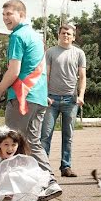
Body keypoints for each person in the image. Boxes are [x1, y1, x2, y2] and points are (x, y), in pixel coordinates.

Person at [0, 0, 63, 201]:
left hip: (22, 97)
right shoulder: (36, 37)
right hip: (37, 97)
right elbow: (39, 69)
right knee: (32, 142)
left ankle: (9, 192)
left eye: (9, 14)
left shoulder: (17, 36)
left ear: (22, 14)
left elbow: (15, 71)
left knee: (9, 144)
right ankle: (49, 183)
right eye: (3, 15)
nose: (5, 18)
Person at [40, 24, 86, 178]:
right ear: (58, 35)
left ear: (74, 37)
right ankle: (43, 168)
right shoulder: (50, 52)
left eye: (69, 34)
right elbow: (45, 75)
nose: (66, 35)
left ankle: (66, 167)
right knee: (45, 135)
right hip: (51, 100)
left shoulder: (79, 53)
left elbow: (82, 76)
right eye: (63, 33)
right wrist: (44, 94)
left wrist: (81, 96)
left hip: (71, 100)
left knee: (68, 135)